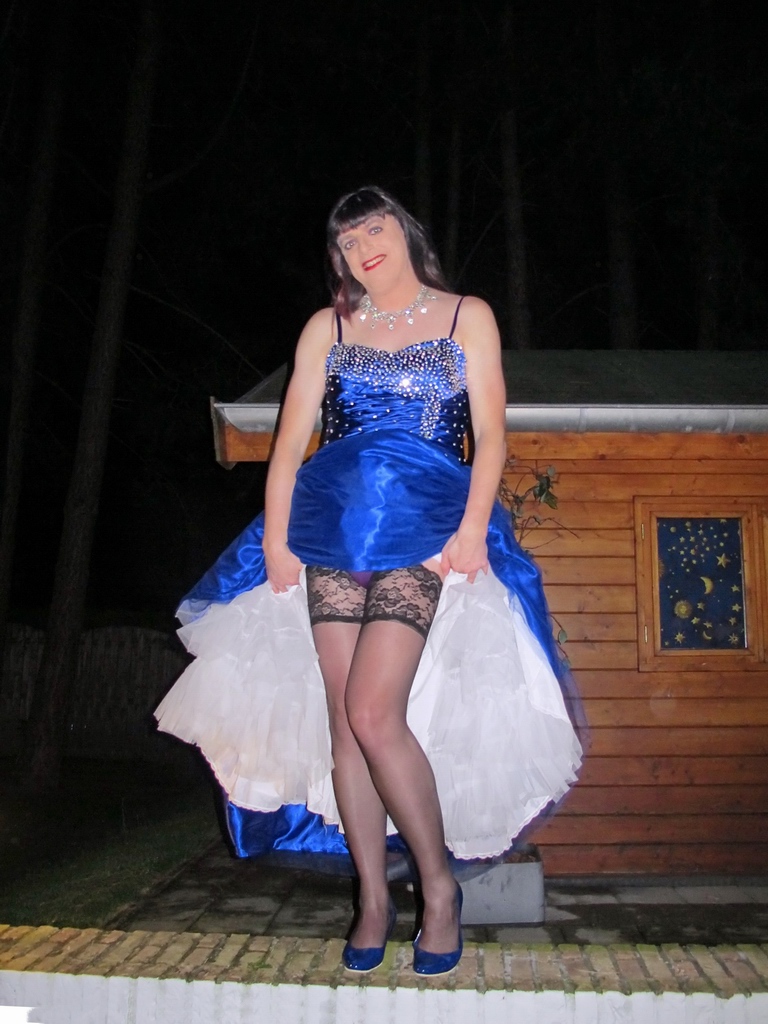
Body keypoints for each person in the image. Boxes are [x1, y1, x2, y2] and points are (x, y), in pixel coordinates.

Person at [156, 186, 583, 976]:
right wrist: (277, 540)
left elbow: (491, 437)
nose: (362, 248)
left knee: (372, 712)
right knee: (344, 722)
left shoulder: (466, 316)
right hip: (329, 530)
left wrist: (470, 529)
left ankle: (438, 889)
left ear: (405, 232)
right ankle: (374, 899)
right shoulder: (327, 327)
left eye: (373, 229)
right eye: (347, 241)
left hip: (424, 527)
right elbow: (289, 445)